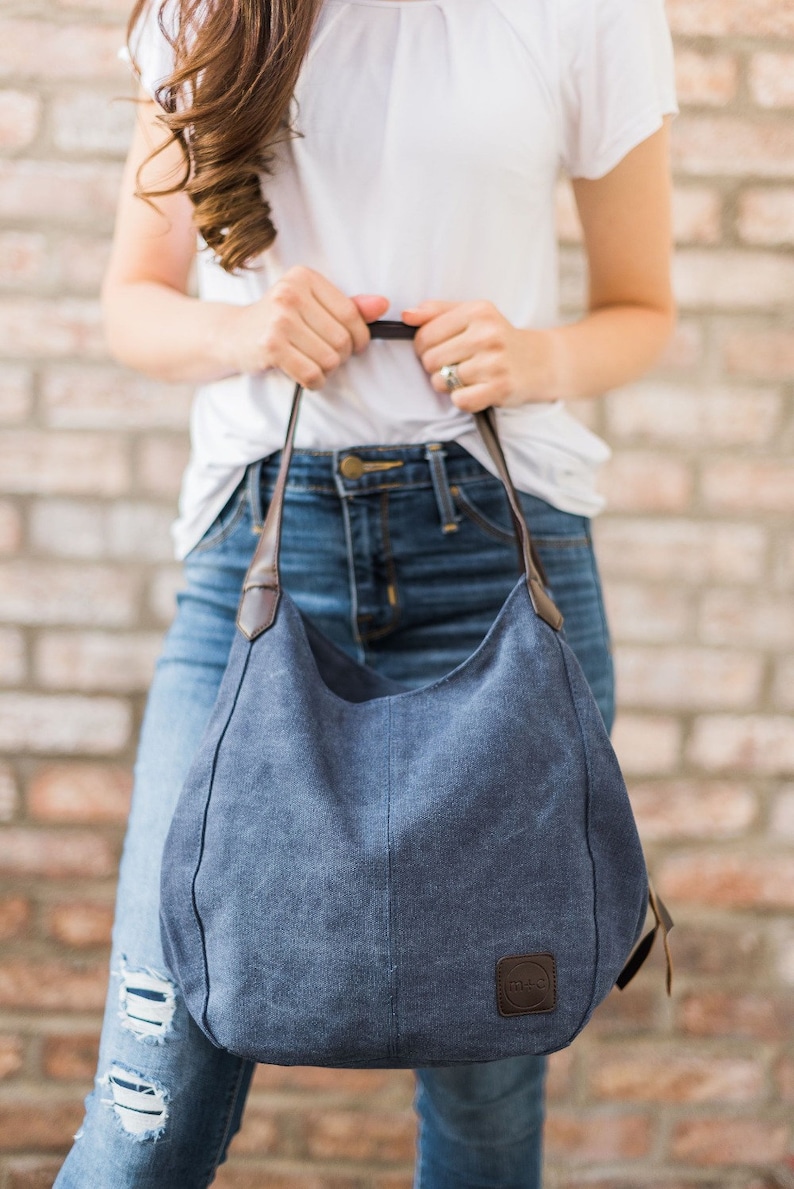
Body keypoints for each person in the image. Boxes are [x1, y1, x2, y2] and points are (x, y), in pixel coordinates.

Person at [54, 0, 677, 1184]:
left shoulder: (589, 14)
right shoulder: (206, 10)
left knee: (487, 1097)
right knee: (148, 1117)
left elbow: (642, 308)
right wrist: (248, 333)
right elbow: (131, 301)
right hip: (260, 565)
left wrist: (531, 358)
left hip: (497, 565)